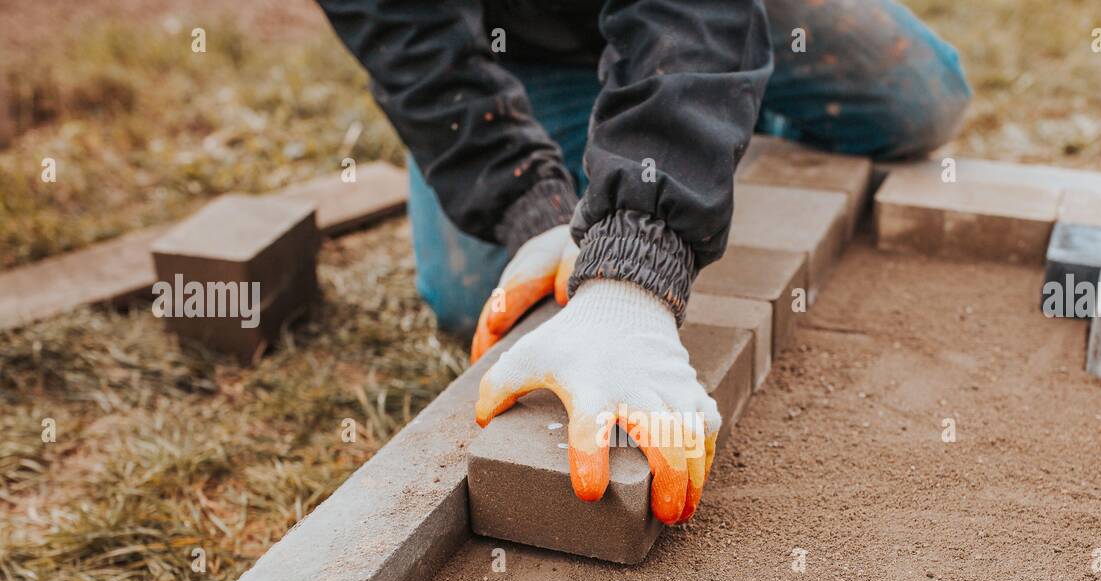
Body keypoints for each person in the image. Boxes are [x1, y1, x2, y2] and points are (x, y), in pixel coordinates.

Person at [317, 0, 970, 524]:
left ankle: (721, 91)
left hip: (705, 13)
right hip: (511, 43)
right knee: (476, 299)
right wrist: (531, 206)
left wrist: (635, 269)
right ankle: (666, 116)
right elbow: (403, 31)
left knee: (918, 102)